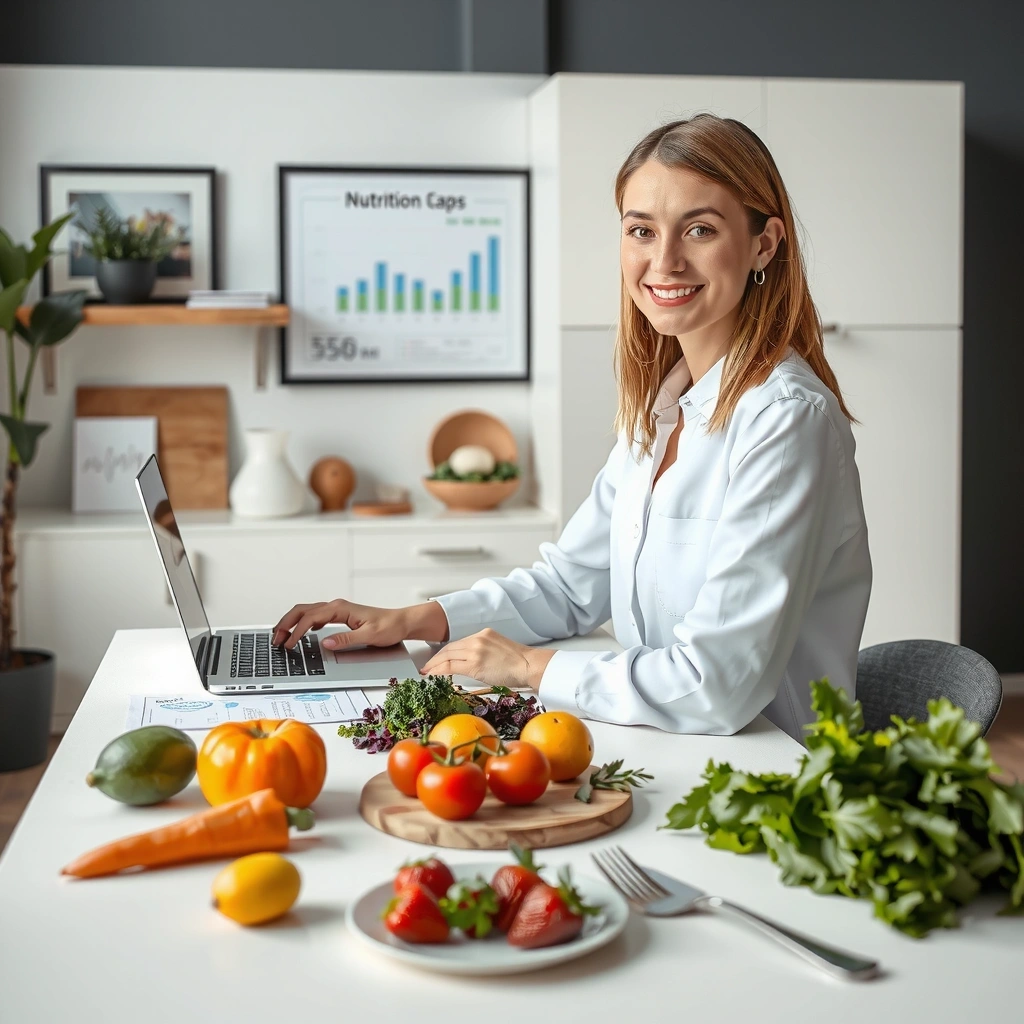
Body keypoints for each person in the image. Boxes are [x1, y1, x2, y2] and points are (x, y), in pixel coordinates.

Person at [273, 114, 871, 742]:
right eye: (641, 230)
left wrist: (528, 667)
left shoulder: (784, 422)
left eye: (699, 229)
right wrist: (414, 620)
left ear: (765, 244)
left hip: (772, 769)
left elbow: (714, 684)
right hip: (666, 741)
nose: (663, 261)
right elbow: (570, 587)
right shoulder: (662, 409)